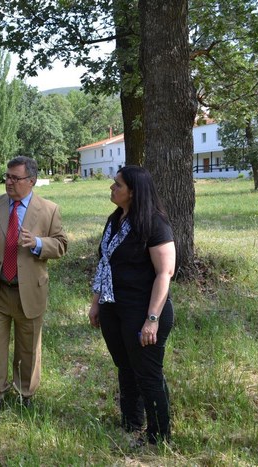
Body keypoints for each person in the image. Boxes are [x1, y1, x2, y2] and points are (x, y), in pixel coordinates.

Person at [0, 156, 68, 408]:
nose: (9, 182)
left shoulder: (49, 209)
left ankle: (26, 393)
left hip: (30, 290)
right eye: (7, 176)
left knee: (29, 345)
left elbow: (61, 244)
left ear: (31, 181)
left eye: (16, 177)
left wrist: (37, 243)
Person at [88, 165, 176, 445]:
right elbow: (104, 263)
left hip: (142, 310)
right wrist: (96, 303)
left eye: (117, 185)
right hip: (113, 305)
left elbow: (165, 273)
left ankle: (158, 436)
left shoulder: (154, 223)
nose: (111, 189)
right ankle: (131, 422)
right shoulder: (115, 220)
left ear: (134, 192)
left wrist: (152, 318)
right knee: (125, 366)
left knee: (148, 374)